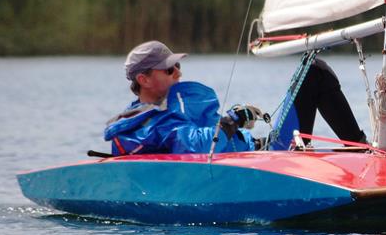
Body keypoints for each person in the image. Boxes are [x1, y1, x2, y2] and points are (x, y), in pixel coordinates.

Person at [104, 40, 366, 156]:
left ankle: (358, 148)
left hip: (260, 150)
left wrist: (234, 119)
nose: (178, 73)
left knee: (313, 69)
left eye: (178, 66)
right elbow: (202, 146)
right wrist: (234, 119)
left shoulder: (165, 108)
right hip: (270, 159)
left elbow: (206, 135)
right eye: (169, 69)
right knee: (314, 71)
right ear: (144, 79)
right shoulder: (151, 121)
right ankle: (360, 149)